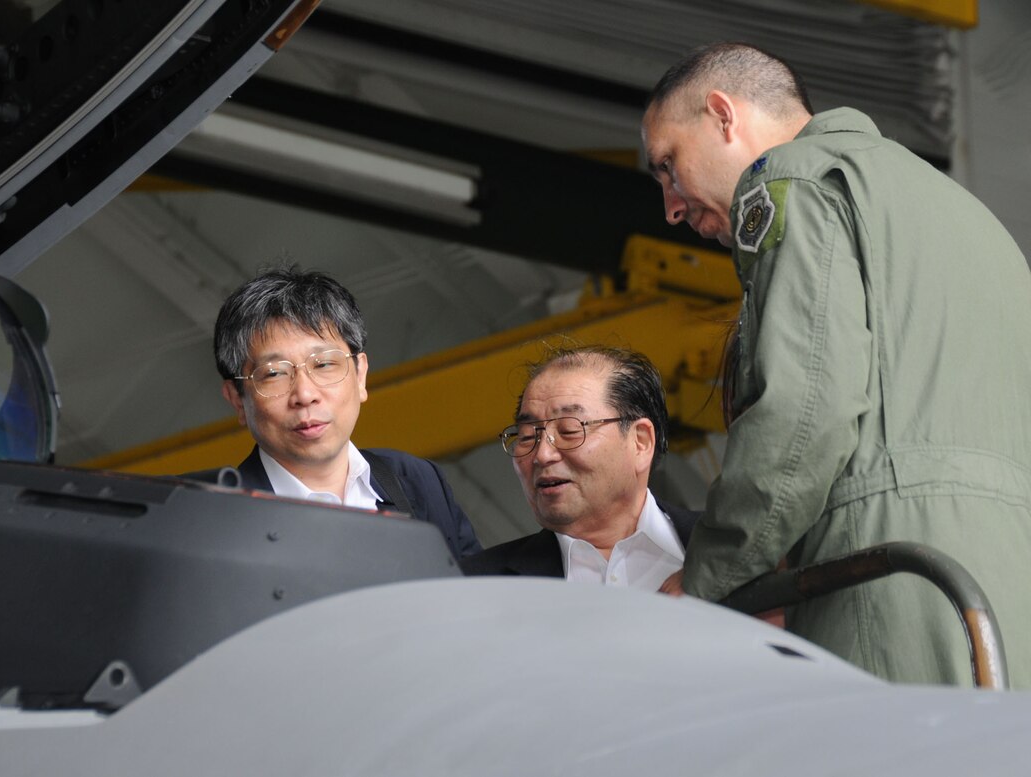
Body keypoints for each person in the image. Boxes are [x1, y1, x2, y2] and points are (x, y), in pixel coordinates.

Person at [642, 42, 1031, 686]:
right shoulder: (972, 219)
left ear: (722, 115)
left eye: (668, 166)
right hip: (1006, 595)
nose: (672, 206)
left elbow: (803, 412)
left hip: (894, 584)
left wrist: (707, 577)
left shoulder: (791, 179)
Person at [212, 266, 481, 559]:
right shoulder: (217, 524)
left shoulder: (417, 482)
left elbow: (476, 598)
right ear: (237, 400)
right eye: (275, 373)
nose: (305, 395)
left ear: (360, 375)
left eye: (324, 365)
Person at [461, 345, 700, 587]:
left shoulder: (728, 557)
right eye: (526, 436)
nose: (542, 455)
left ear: (640, 442)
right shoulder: (475, 587)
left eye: (569, 430)